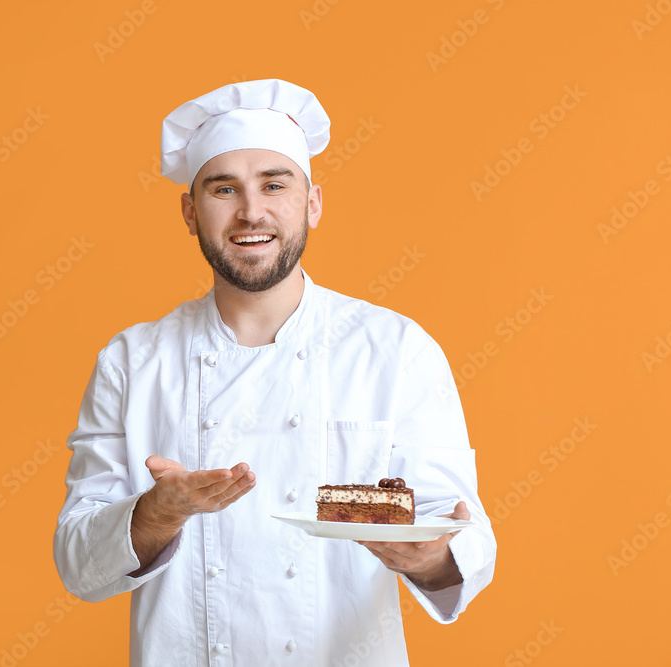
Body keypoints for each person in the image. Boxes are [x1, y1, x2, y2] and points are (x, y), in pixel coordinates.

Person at [53, 79, 496, 666]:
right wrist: (158, 512)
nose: (251, 211)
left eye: (274, 184)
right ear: (190, 211)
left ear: (312, 202)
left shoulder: (395, 350)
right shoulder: (132, 362)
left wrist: (427, 556)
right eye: (223, 188)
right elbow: (78, 565)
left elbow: (467, 538)